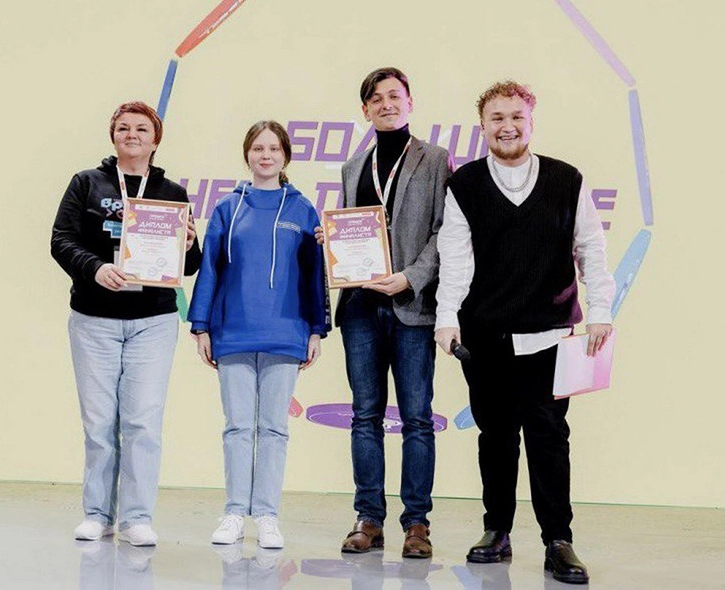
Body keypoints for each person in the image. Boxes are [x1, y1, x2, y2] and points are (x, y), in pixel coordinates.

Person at [435, 80, 615, 584]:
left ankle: (558, 540)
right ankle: (497, 530)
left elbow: (590, 248)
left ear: (531, 122)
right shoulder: (465, 184)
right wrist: (447, 319)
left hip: (550, 335)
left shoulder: (567, 179)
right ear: (483, 125)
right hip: (484, 337)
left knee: (549, 438)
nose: (507, 126)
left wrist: (600, 311)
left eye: (516, 116)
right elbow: (455, 258)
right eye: (497, 117)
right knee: (495, 438)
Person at [51, 101, 201, 547]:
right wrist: (95, 268)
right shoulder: (87, 183)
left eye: (141, 129)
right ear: (113, 135)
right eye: (123, 128)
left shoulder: (172, 193)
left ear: (156, 140)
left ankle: (137, 517)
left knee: (142, 422)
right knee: (99, 422)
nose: (132, 134)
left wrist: (189, 245)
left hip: (153, 323)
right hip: (94, 320)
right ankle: (98, 514)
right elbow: (61, 240)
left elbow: (190, 265)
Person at [319, 67, 451, 559]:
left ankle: (417, 524)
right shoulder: (354, 166)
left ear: (409, 102)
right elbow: (355, 229)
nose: (386, 104)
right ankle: (368, 518)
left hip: (412, 306)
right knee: (364, 417)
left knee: (417, 419)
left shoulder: (435, 158)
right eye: (376, 98)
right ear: (365, 110)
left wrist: (412, 276)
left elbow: (445, 231)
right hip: (360, 309)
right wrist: (332, 242)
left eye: (394, 96)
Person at [188, 120, 329, 550]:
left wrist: (317, 328)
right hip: (233, 332)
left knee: (273, 429)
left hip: (286, 333)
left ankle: (267, 515)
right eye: (258, 148)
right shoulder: (228, 208)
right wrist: (201, 325)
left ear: (286, 156)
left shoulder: (303, 209)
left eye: (273, 149)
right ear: (247, 154)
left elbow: (314, 275)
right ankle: (234, 512)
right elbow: (210, 268)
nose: (265, 155)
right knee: (237, 427)